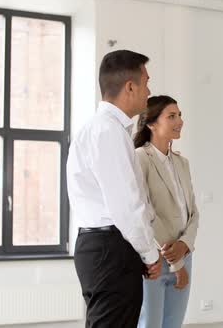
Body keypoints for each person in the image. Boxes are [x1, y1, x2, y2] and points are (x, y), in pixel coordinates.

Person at [67, 50, 163, 327]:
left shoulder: (98, 129)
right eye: (146, 82)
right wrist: (149, 254)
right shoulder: (108, 131)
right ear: (130, 87)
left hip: (101, 247)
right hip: (112, 249)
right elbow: (126, 206)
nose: (149, 90)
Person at [134, 95, 200, 328]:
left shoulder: (182, 163)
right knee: (149, 324)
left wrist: (185, 245)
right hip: (153, 259)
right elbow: (145, 210)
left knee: (173, 324)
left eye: (180, 115)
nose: (179, 120)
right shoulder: (140, 158)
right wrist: (176, 260)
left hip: (184, 253)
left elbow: (193, 212)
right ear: (151, 123)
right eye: (171, 116)